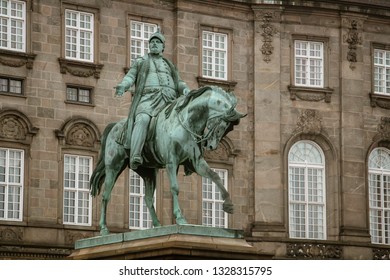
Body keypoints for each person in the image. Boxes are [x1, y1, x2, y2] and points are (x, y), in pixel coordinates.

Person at [115, 30, 190, 169]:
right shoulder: (141, 61)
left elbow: (179, 82)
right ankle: (135, 154)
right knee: (142, 119)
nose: (154, 44)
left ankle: (188, 158)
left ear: (163, 47)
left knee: (185, 121)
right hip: (148, 100)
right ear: (149, 45)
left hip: (169, 101)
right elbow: (130, 77)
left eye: (158, 42)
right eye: (152, 42)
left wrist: (185, 89)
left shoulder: (169, 65)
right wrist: (123, 85)